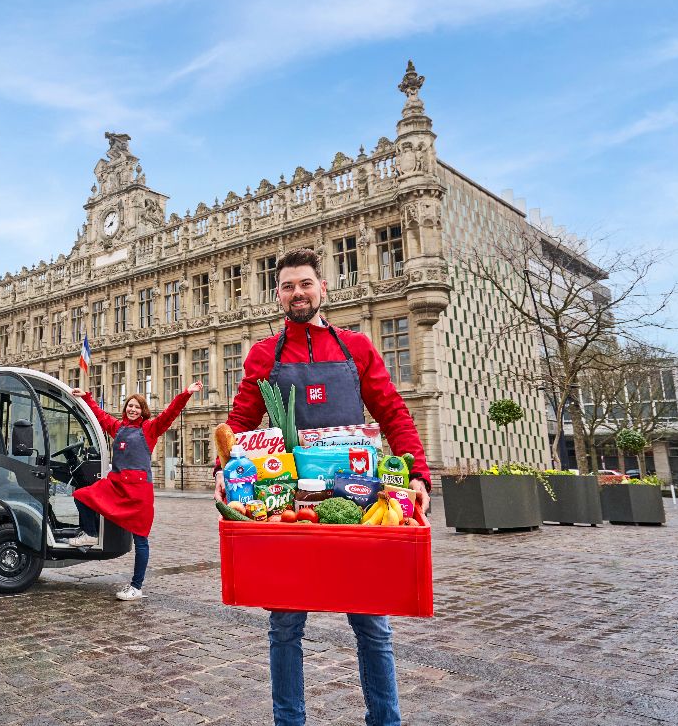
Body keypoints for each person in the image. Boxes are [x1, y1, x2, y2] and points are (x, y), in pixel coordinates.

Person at [215, 248, 431, 726]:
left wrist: (417, 474)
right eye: (289, 286)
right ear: (278, 295)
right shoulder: (262, 354)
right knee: (285, 625)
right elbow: (239, 422)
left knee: (372, 625)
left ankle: (386, 720)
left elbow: (392, 411)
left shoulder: (356, 347)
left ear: (322, 288)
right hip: (291, 502)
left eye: (306, 284)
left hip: (359, 496)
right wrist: (222, 468)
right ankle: (289, 721)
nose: (298, 293)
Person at [66, 380, 203, 600]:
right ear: (125, 409)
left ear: (143, 411)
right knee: (81, 496)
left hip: (138, 493)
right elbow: (100, 415)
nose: (132, 409)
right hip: (115, 485)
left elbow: (170, 413)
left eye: (137, 407)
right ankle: (90, 534)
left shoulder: (150, 428)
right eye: (130, 406)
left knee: (141, 540)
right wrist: (86, 397)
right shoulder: (117, 427)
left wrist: (186, 393)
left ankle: (136, 587)